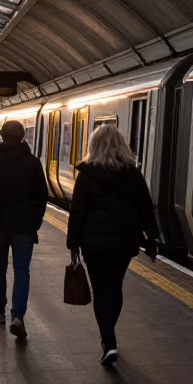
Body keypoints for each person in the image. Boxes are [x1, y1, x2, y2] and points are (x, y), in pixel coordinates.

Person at [65, 123, 160, 366]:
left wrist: (73, 244)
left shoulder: (86, 175)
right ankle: (109, 335)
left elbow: (78, 212)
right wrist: (152, 237)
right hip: (124, 241)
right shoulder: (132, 173)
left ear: (93, 145)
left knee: (101, 291)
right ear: (121, 145)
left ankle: (109, 341)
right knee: (115, 287)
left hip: (94, 243)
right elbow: (146, 208)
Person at [0, 119, 47, 338]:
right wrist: (35, 221)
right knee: (22, 270)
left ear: (1, 136)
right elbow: (42, 197)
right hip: (24, 225)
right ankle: (18, 315)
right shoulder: (32, 163)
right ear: (22, 137)